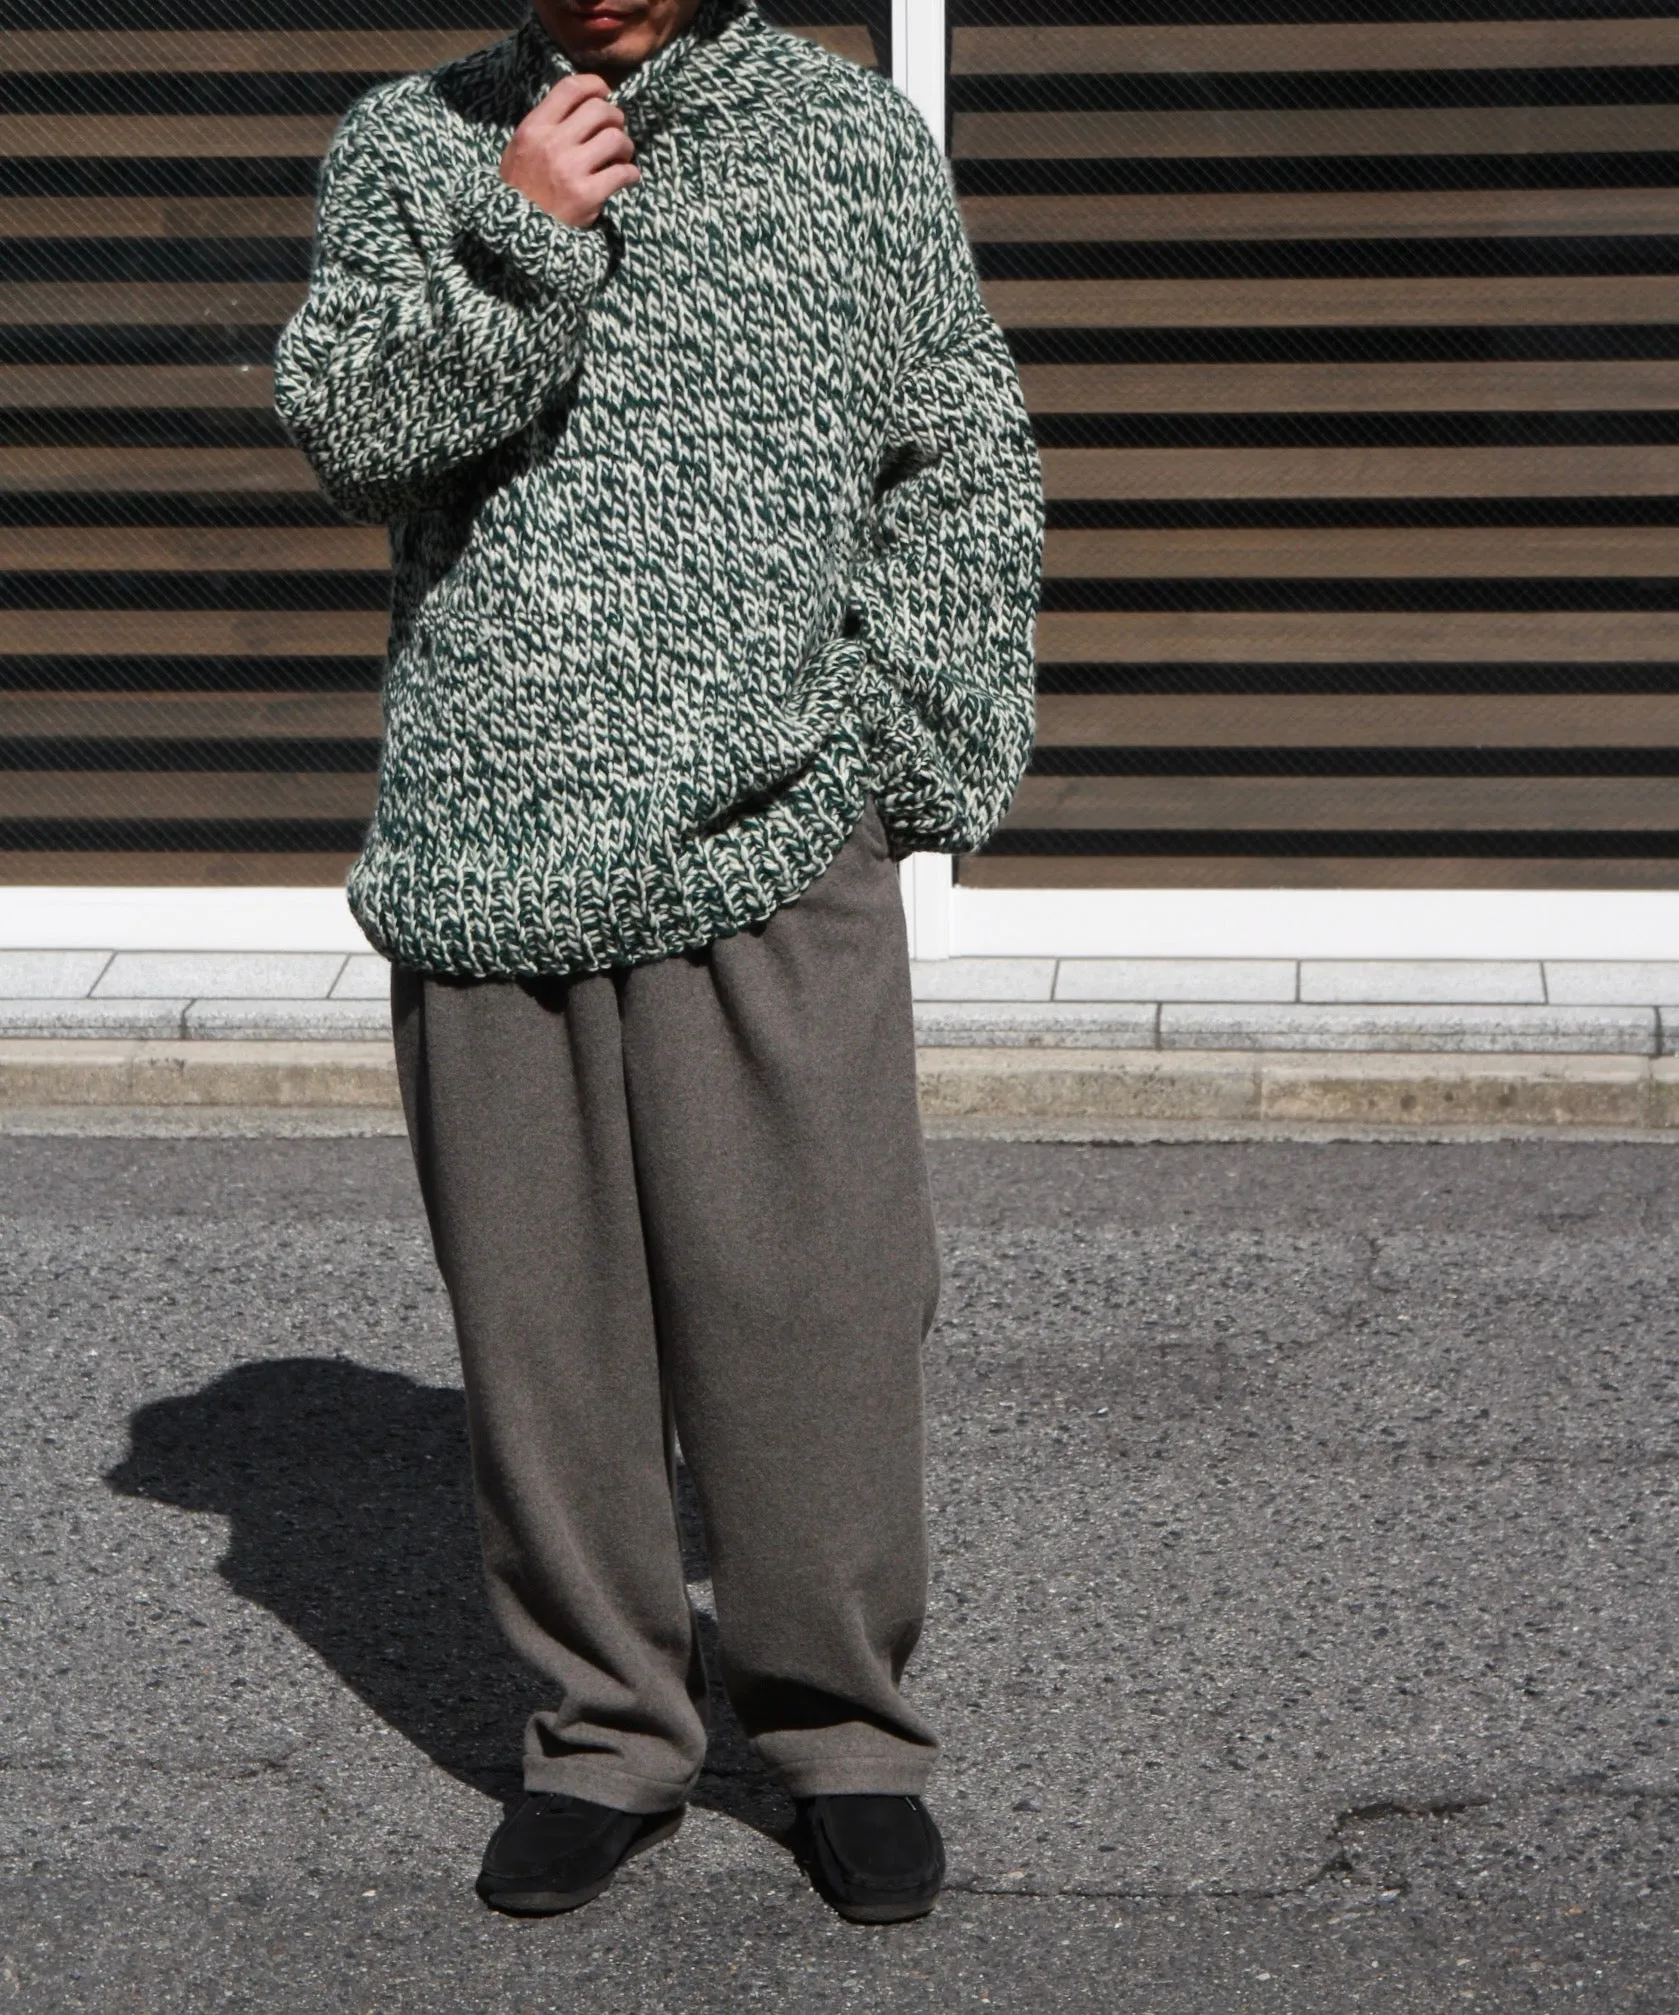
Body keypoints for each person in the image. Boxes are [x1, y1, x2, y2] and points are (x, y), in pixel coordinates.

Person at [274, 0, 1043, 1925]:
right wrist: (516, 234)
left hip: (775, 821)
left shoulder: (852, 143)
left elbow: (957, 444)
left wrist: (917, 743)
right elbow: (352, 440)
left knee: (821, 1312)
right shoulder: (410, 143)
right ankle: (603, 1736)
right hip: (493, 820)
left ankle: (837, 1732)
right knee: (547, 1341)